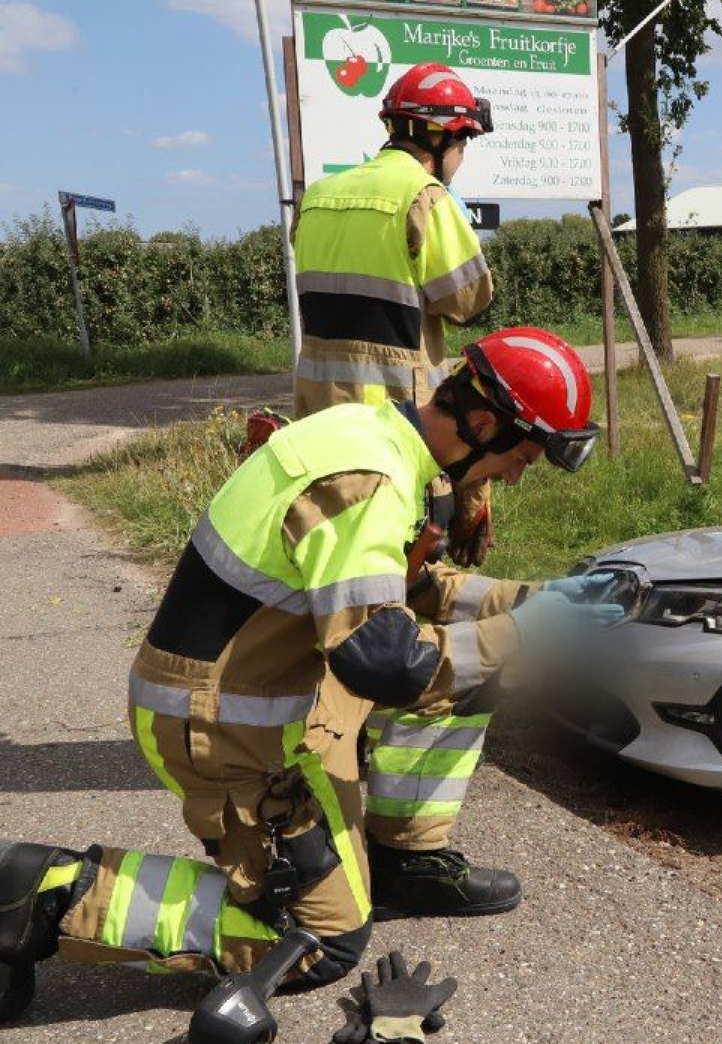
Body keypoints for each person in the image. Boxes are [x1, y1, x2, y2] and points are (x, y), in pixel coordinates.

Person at [0, 327, 624, 1018]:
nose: (514, 476)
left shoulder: (373, 433)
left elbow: (406, 592)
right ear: (482, 424)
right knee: (324, 939)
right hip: (220, 728)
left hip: (268, 692)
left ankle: (402, 862)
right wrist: (529, 632)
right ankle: (41, 889)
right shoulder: (370, 481)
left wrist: (534, 602)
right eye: (521, 457)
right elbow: (386, 661)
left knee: (483, 666)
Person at [292, 61, 499, 571]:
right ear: (441, 138)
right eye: (463, 143)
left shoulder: (318, 197)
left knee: (324, 561)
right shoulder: (424, 197)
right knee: (395, 570)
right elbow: (469, 299)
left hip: (316, 417)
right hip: (393, 424)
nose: (462, 156)